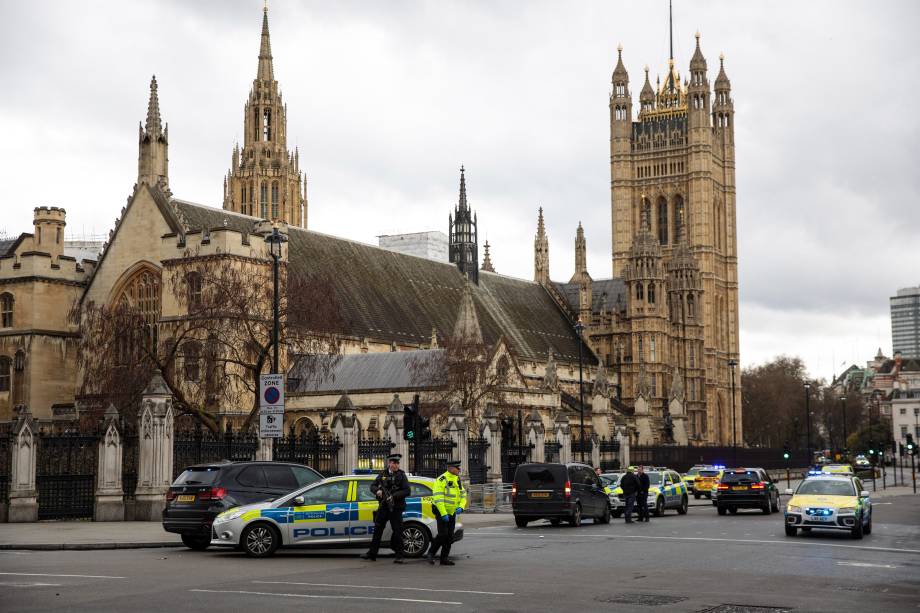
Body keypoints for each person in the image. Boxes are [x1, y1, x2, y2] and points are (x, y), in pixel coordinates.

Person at [362, 453, 411, 563]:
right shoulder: (383, 474)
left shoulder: (401, 475)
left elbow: (407, 491)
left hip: (396, 507)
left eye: (397, 463)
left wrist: (393, 496)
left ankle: (399, 556)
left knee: (398, 531)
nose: (396, 465)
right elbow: (372, 486)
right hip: (384, 506)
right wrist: (377, 491)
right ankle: (372, 554)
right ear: (389, 463)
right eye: (394, 463)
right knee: (377, 530)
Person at [427, 460, 467, 566]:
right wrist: (444, 513)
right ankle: (431, 553)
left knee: (449, 536)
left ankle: (444, 558)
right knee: (442, 534)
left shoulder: (457, 479)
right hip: (441, 511)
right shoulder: (441, 479)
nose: (459, 470)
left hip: (452, 511)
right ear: (450, 468)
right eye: (457, 468)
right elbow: (438, 498)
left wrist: (461, 507)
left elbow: (463, 495)